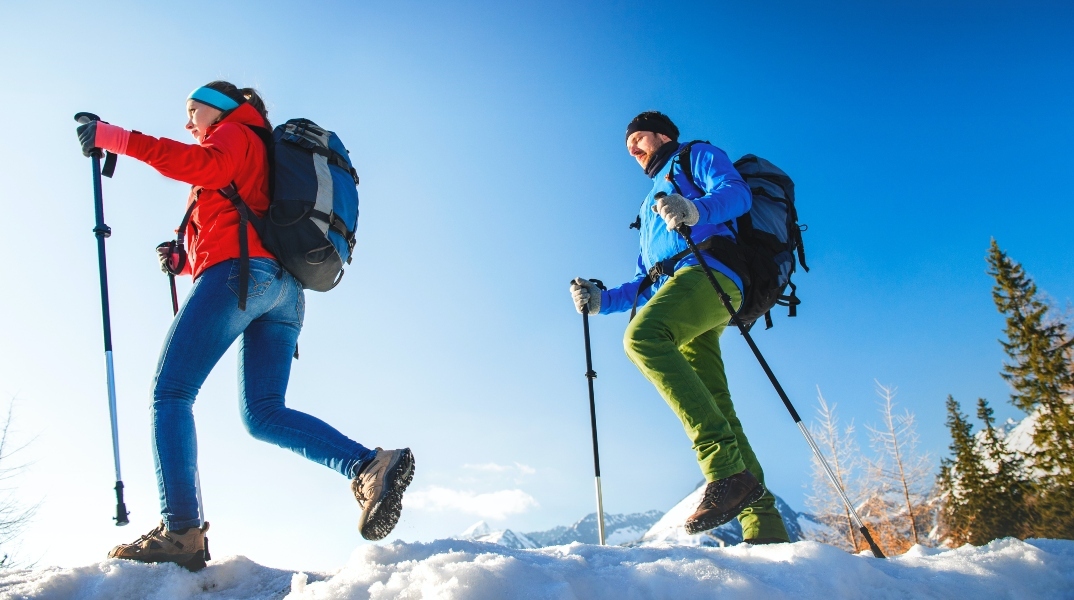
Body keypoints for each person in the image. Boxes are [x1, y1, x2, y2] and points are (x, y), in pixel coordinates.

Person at [76, 81, 415, 568]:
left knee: (170, 394)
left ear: (220, 110)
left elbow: (203, 168)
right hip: (282, 291)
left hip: (242, 278)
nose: (189, 124)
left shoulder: (235, 133)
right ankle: (368, 465)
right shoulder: (251, 148)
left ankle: (181, 531)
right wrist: (183, 259)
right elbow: (239, 221)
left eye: (194, 112)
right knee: (263, 414)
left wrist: (114, 138)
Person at [570, 111, 789, 544]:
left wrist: (694, 208)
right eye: (628, 144)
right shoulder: (647, 206)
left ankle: (724, 470)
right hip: (682, 289)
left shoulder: (695, 156)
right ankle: (765, 527)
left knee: (643, 338)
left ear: (663, 134)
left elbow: (737, 194)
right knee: (716, 402)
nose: (632, 148)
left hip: (714, 273)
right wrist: (600, 301)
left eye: (639, 137)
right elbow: (646, 281)